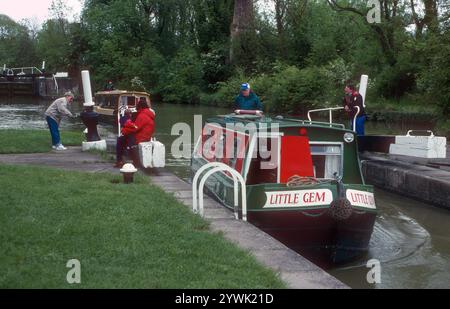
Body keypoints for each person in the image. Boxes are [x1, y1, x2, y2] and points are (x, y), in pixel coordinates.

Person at [114, 98, 155, 168]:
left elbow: (135, 128)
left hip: (141, 138)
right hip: (145, 136)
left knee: (121, 140)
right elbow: (136, 127)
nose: (137, 110)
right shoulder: (147, 114)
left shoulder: (143, 115)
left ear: (140, 107)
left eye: (137, 108)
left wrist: (126, 127)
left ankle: (120, 161)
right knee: (124, 138)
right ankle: (125, 160)